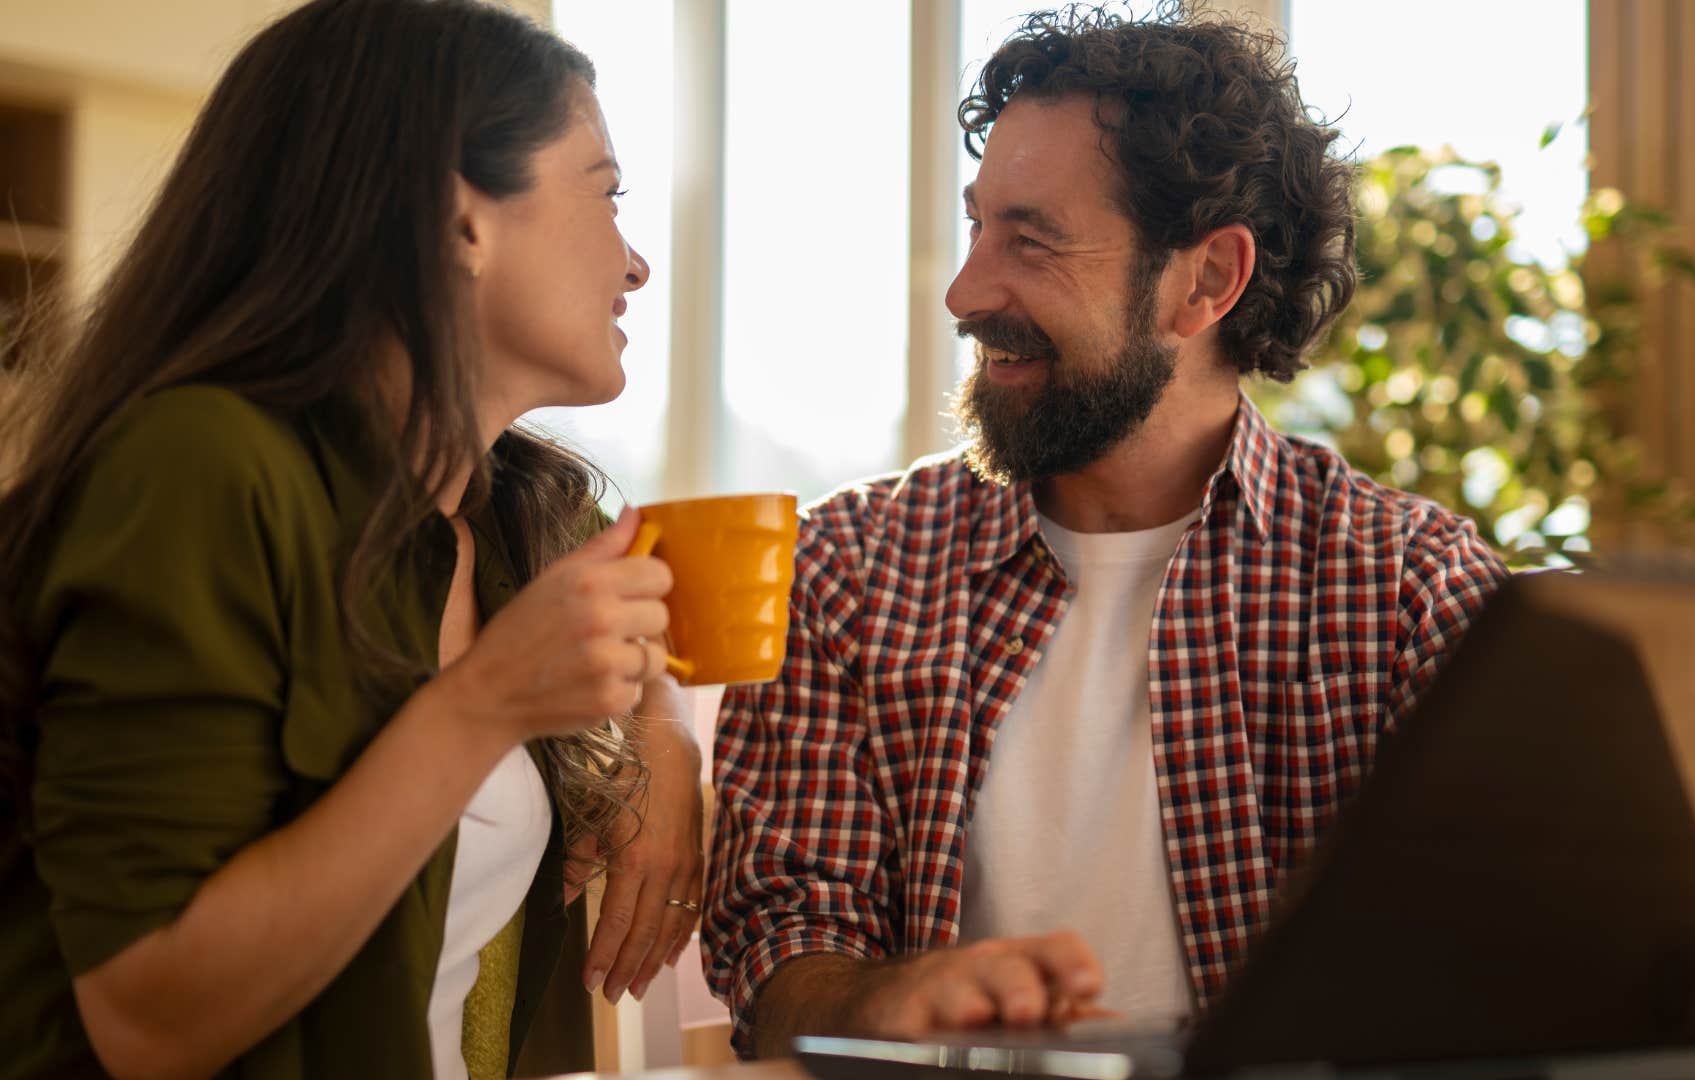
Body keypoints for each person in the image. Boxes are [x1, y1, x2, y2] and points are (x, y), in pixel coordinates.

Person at [702, 4, 1509, 1058]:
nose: (965, 289)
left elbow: (1503, 979)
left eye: (1031, 240)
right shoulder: (848, 570)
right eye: (978, 224)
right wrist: (888, 1007)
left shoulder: (1414, 596)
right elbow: (781, 952)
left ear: (1208, 279)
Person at [0, 2, 702, 1077]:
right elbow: (149, 1023)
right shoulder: (200, 468)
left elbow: (629, 595)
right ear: (460, 221)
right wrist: (482, 706)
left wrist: (665, 737)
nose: (638, 261)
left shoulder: (502, 510)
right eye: (606, 195)